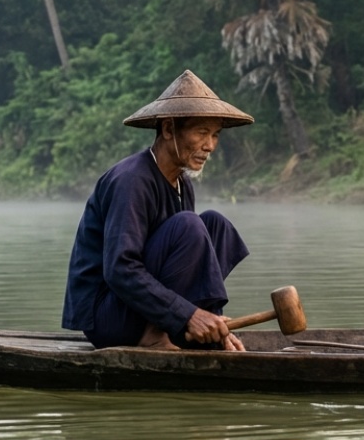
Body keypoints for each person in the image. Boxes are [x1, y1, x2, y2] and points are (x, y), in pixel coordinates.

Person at [62, 70, 254, 351]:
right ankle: (154, 336)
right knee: (189, 225)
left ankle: (205, 328)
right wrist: (188, 314)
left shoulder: (182, 185)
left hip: (149, 312)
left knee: (215, 225)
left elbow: (190, 262)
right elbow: (120, 269)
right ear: (167, 129)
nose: (210, 145)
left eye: (215, 135)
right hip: (108, 319)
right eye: (201, 132)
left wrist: (213, 323)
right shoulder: (131, 180)